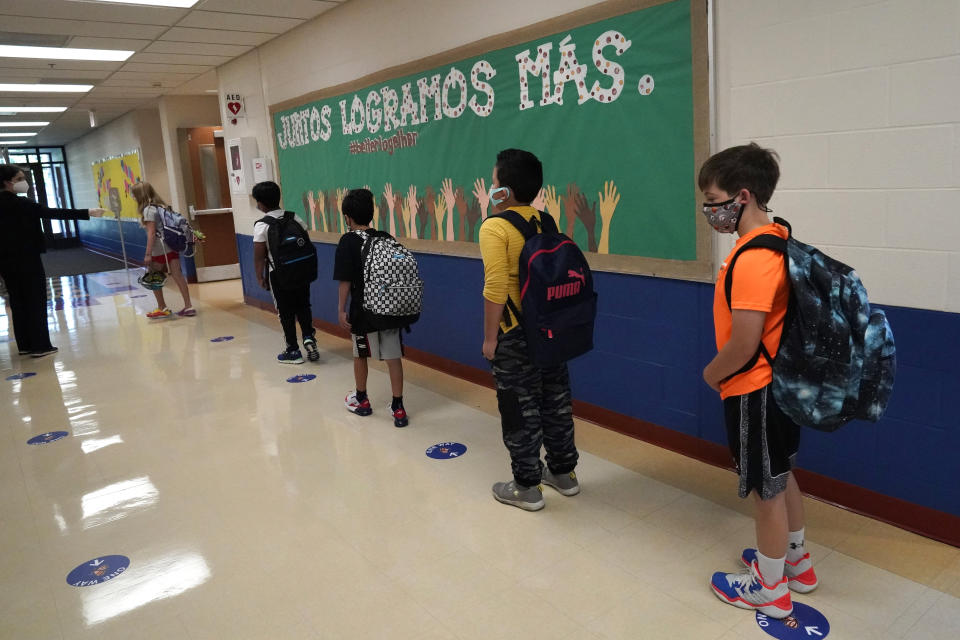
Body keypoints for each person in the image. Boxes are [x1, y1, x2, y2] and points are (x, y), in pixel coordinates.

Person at [700, 143, 815, 620]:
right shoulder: (778, 235)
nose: (709, 209)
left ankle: (769, 589)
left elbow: (745, 342)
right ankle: (796, 564)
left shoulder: (751, 258)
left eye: (713, 198)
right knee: (781, 473)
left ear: (741, 196)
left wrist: (711, 373)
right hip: (779, 385)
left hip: (754, 388)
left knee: (763, 491)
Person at [479, 149, 579, 512]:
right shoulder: (546, 222)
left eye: (493, 182)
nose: (491, 188)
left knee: (519, 409)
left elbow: (495, 288)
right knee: (555, 402)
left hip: (515, 334)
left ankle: (526, 487)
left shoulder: (495, 227)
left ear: (503, 190)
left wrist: (491, 340)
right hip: (551, 330)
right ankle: (564, 474)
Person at [0, 164, 104, 357]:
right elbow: (53, 213)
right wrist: (87, 212)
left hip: (5, 261)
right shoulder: (23, 204)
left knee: (17, 300)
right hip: (27, 257)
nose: (25, 183)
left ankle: (25, 344)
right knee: (35, 299)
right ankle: (40, 345)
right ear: (7, 182)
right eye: (20, 179)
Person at [333, 188, 408, 427]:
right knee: (393, 356)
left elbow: (345, 280)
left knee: (360, 353)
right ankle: (398, 407)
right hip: (389, 308)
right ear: (371, 214)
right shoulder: (386, 238)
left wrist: (341, 309)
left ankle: (362, 400)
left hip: (363, 310)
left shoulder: (347, 241)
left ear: (348, 217)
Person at [251, 181, 319, 364]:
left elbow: (259, 256)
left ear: (261, 204)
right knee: (304, 305)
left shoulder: (261, 225)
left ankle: (293, 351)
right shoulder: (294, 217)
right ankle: (309, 338)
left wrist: (260, 277)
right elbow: (305, 243)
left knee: (285, 312)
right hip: (301, 271)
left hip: (279, 275)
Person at [131, 182, 195, 318]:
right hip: (172, 246)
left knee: (153, 276)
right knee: (178, 275)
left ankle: (162, 307)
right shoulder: (160, 206)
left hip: (159, 249)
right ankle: (188, 306)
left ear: (139, 195)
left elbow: (151, 233)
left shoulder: (148, 210)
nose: (132, 197)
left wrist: (148, 254)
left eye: (134, 194)